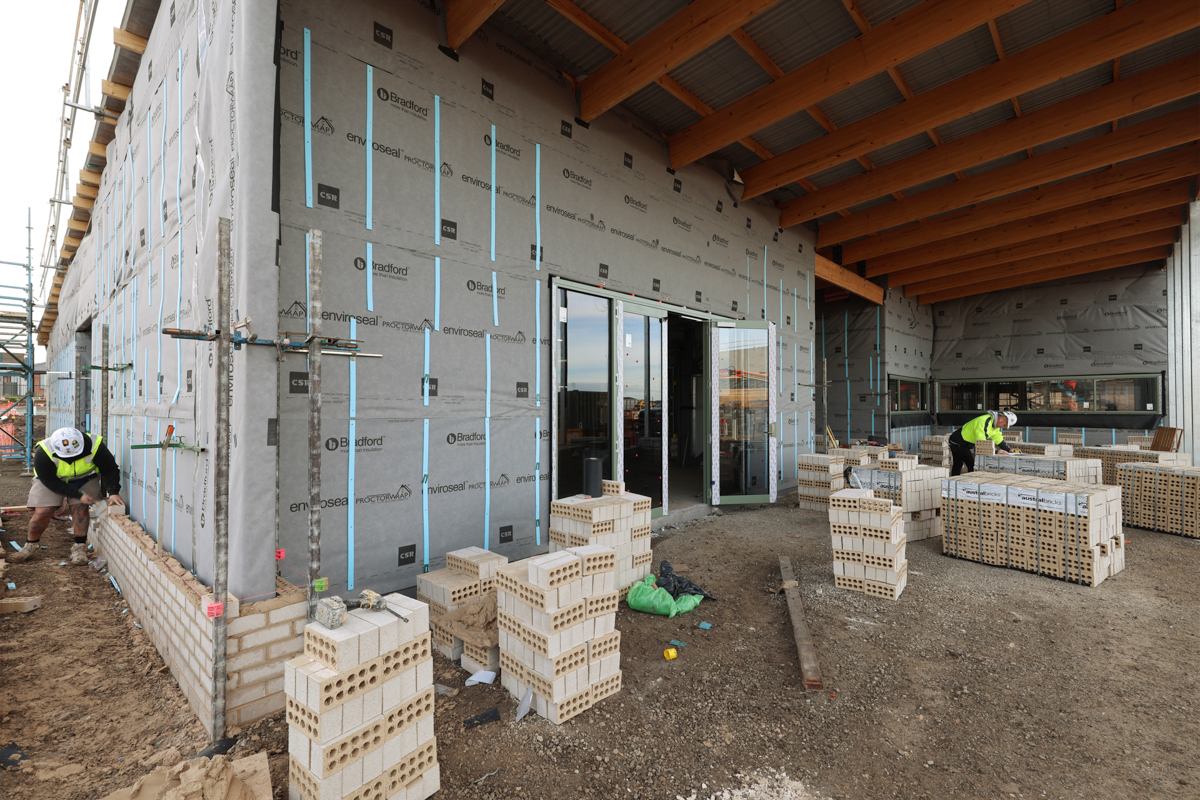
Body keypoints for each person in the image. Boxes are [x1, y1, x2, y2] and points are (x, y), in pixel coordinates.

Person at [7, 426, 124, 565]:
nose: (71, 458)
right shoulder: (44, 451)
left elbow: (110, 468)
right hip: (53, 479)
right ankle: (30, 546)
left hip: (85, 477)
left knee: (80, 507)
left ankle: (79, 548)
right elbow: (49, 481)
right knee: (44, 510)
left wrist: (113, 492)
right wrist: (77, 494)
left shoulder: (95, 445)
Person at [949, 411, 1016, 476]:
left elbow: (998, 438)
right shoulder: (984, 421)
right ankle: (971, 483)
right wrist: (996, 451)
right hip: (958, 442)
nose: (1002, 427)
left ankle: (953, 482)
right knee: (972, 464)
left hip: (963, 443)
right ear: (1001, 419)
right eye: (1004, 425)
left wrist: (1008, 450)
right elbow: (982, 442)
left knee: (958, 463)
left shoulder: (994, 425)